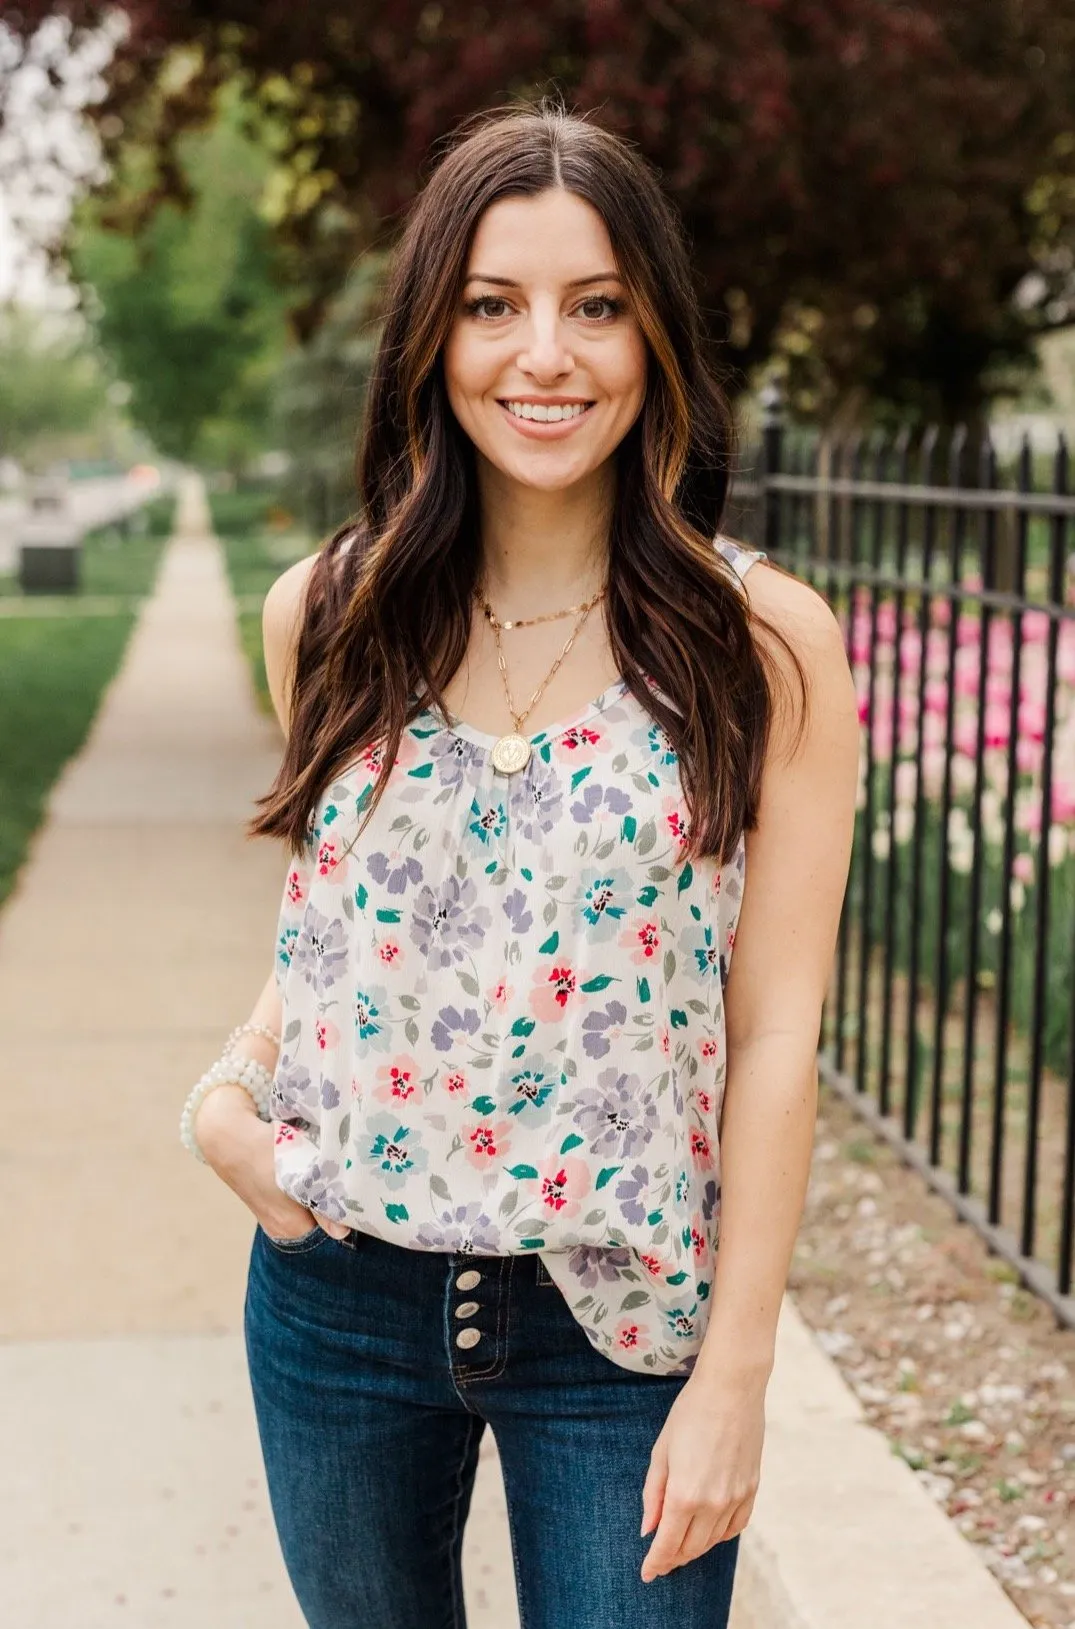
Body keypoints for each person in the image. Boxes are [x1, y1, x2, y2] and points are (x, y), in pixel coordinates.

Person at [182, 98, 860, 1629]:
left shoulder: (764, 647)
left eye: (595, 307)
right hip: (337, 1301)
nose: (543, 356)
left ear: (655, 339)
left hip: (619, 1331)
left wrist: (736, 1374)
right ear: (433, 334)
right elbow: (341, 934)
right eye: (493, 305)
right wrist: (227, 1105)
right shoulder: (331, 611)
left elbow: (774, 1037)